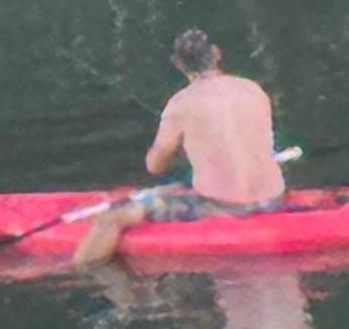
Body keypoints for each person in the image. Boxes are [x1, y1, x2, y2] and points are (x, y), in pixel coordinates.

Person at [74, 29, 286, 267]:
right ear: (216, 54)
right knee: (175, 189)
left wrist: (176, 153)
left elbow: (154, 166)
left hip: (223, 206)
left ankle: (80, 271)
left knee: (110, 219)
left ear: (177, 63)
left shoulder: (181, 103)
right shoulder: (253, 89)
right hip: (272, 198)